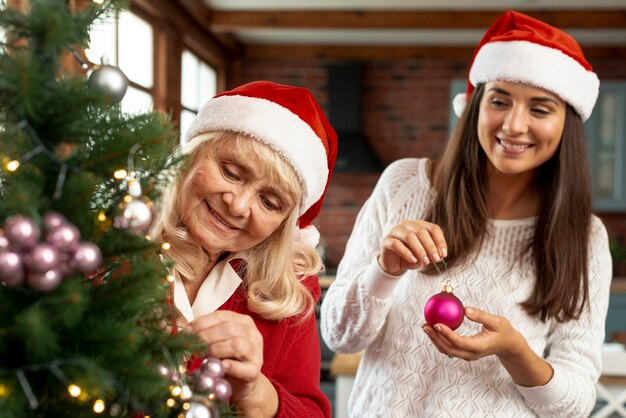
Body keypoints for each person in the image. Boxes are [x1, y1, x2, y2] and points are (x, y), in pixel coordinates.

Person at [320, 10, 612, 418]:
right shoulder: (405, 184)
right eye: (499, 101)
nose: (514, 125)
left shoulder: (583, 237)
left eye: (541, 109)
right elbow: (339, 337)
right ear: (475, 105)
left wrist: (515, 351)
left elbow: (576, 403)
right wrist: (384, 269)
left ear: (566, 125)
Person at [152, 80, 337, 417]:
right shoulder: (110, 248)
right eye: (231, 172)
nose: (237, 205)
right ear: (191, 156)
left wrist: (256, 393)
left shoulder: (290, 289)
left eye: (269, 202)